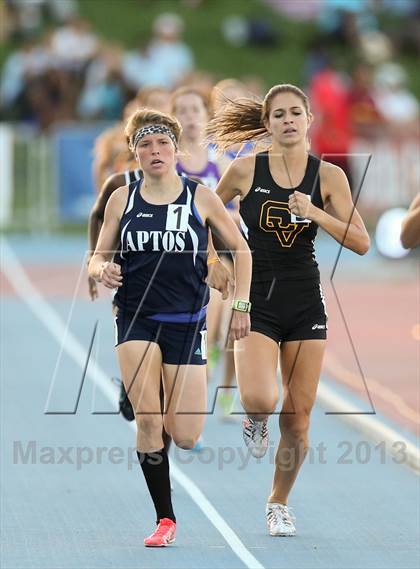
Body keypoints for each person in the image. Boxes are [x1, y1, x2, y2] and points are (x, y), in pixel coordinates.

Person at [207, 83, 370, 536]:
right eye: (278, 115)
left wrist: (317, 214)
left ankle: (278, 502)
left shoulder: (328, 177)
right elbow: (203, 214)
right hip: (255, 294)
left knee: (298, 419)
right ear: (267, 124)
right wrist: (211, 261)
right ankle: (254, 419)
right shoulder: (244, 170)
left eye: (295, 112)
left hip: (304, 299)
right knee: (261, 399)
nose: (288, 121)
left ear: (309, 119)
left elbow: (361, 242)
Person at [88, 108, 252, 546]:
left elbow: (243, 251)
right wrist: (100, 268)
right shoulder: (123, 199)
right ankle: (165, 519)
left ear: (177, 150)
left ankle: (157, 404)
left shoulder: (200, 197)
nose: (154, 151)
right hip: (136, 318)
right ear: (134, 153)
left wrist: (239, 303)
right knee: (147, 422)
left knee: (185, 434)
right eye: (145, 145)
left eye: (162, 144)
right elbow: (97, 255)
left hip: (187, 322)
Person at [172, 86, 237, 420]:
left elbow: (237, 212)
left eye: (195, 110)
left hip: (216, 253)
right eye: (182, 111)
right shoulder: (167, 163)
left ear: (206, 116)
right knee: (199, 330)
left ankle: (223, 385)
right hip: (178, 255)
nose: (190, 118)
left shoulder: (220, 161)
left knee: (223, 329)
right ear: (174, 118)